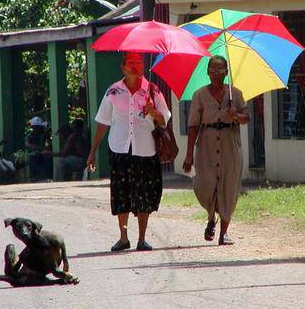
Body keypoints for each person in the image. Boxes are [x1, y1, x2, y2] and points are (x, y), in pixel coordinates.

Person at [87, 52, 171, 252]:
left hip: (146, 149)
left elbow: (164, 119)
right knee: (120, 193)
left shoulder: (153, 90)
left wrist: (152, 111)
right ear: (123, 67)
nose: (135, 66)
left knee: (144, 194)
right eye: (131, 63)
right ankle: (123, 237)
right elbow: (102, 122)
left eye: (139, 63)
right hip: (119, 148)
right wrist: (92, 152)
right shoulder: (113, 92)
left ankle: (142, 238)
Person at [183, 55, 250, 245]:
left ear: (227, 72)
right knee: (205, 185)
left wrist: (235, 115)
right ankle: (211, 217)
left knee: (229, 186)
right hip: (206, 146)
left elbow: (247, 117)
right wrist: (188, 155)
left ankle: (224, 233)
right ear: (207, 72)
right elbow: (193, 125)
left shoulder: (235, 94)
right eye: (212, 69)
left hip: (230, 145)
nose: (216, 73)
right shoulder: (199, 95)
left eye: (220, 69)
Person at [25, 116, 52, 181]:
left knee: (47, 157)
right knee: (33, 156)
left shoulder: (44, 135)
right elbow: (27, 145)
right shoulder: (29, 135)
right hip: (31, 153)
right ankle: (33, 177)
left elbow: (49, 145)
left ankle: (48, 176)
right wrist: (39, 148)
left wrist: (45, 148)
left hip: (43, 152)